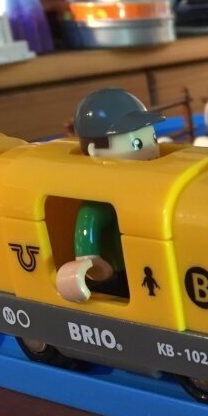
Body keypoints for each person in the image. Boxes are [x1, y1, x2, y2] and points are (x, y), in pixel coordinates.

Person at [57, 89, 164, 303]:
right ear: (95, 151)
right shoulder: (101, 199)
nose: (152, 149)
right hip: (120, 266)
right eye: (137, 143)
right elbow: (88, 223)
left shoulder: (145, 183)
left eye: (153, 138)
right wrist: (90, 259)